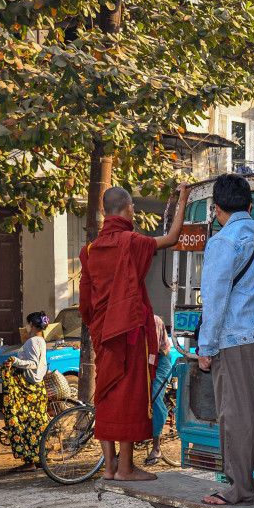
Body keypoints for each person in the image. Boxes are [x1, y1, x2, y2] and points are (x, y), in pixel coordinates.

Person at [80, 184, 188, 481]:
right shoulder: (132, 242)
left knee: (105, 394)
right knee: (128, 396)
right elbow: (172, 237)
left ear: (103, 212)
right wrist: (183, 198)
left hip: (104, 334)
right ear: (129, 210)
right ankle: (126, 468)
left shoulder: (88, 251)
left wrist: (100, 324)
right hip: (128, 332)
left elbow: (86, 304)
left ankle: (110, 467)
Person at [197, 172, 254, 505]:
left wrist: (205, 348)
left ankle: (238, 487)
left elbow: (215, 298)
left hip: (234, 340)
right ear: (250, 205)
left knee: (237, 415)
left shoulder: (222, 241)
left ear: (217, 208)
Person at [0, 311, 50, 472]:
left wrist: (14, 361)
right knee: (37, 425)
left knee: (26, 424)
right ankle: (40, 458)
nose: (27, 327)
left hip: (30, 390)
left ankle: (30, 462)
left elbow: (33, 363)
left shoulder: (33, 341)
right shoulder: (40, 340)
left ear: (32, 325)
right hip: (36, 388)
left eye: (28, 324)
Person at [144, 314, 174, 467]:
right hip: (144, 360)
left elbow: (152, 352)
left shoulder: (153, 320)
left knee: (154, 397)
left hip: (160, 360)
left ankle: (156, 448)